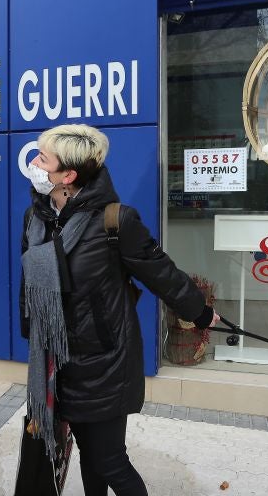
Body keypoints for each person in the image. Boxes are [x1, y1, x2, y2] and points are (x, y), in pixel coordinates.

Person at [20, 124, 219, 495]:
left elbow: (163, 273)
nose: (33, 163)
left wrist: (201, 312)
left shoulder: (115, 220)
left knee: (110, 459)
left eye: (42, 158)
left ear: (68, 175)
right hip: (55, 363)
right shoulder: (37, 218)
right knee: (88, 454)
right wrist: (35, 333)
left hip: (104, 362)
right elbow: (30, 286)